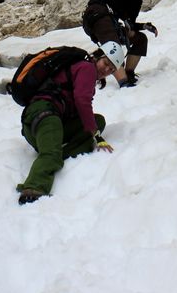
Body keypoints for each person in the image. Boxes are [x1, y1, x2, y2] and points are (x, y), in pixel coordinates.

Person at [16, 40, 125, 205]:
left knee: (98, 121)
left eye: (111, 69)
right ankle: (34, 187)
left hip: (38, 125)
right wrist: (96, 135)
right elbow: (82, 100)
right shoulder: (87, 68)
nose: (106, 69)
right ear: (97, 56)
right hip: (44, 113)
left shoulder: (83, 69)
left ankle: (55, 152)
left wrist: (93, 129)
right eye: (105, 63)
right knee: (55, 151)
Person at [82, 0, 164, 88]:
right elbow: (111, 1)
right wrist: (124, 19)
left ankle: (129, 73)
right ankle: (124, 82)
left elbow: (129, 23)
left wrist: (144, 26)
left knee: (140, 39)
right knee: (113, 45)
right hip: (97, 14)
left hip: (110, 21)